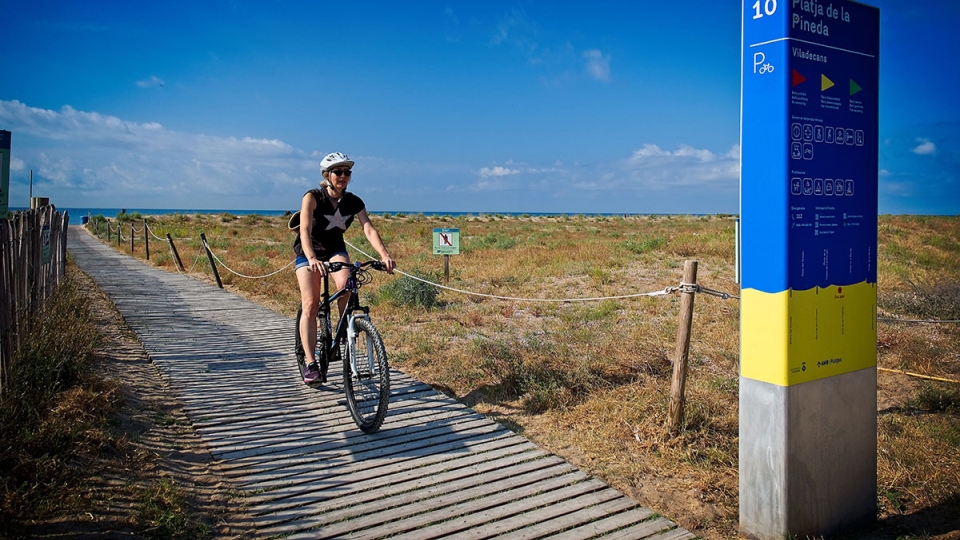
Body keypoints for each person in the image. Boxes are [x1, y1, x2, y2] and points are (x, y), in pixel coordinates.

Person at [293, 152, 395, 384]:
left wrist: (385, 255)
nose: (342, 176)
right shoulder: (312, 197)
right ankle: (310, 362)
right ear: (327, 175)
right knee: (310, 304)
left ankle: (342, 333)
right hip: (309, 251)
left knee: (346, 285)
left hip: (335, 248)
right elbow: (304, 230)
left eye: (346, 172)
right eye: (337, 172)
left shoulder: (354, 201)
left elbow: (368, 228)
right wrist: (311, 258)